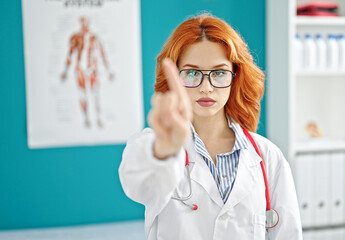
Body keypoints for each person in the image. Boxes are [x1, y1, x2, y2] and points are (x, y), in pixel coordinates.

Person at [119, 14, 302, 240]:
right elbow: (137, 183)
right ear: (175, 76)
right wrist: (163, 152)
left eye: (219, 73)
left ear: (235, 77)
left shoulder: (268, 157)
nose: (206, 87)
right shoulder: (155, 146)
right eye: (193, 73)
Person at [61, 16, 114, 128]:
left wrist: (108, 70)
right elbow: (69, 54)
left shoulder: (94, 37)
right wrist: (65, 71)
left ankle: (98, 117)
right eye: (83, 22)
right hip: (80, 68)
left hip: (92, 69)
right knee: (83, 94)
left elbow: (102, 53)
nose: (85, 25)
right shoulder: (75, 37)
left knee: (95, 93)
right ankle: (86, 118)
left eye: (86, 22)